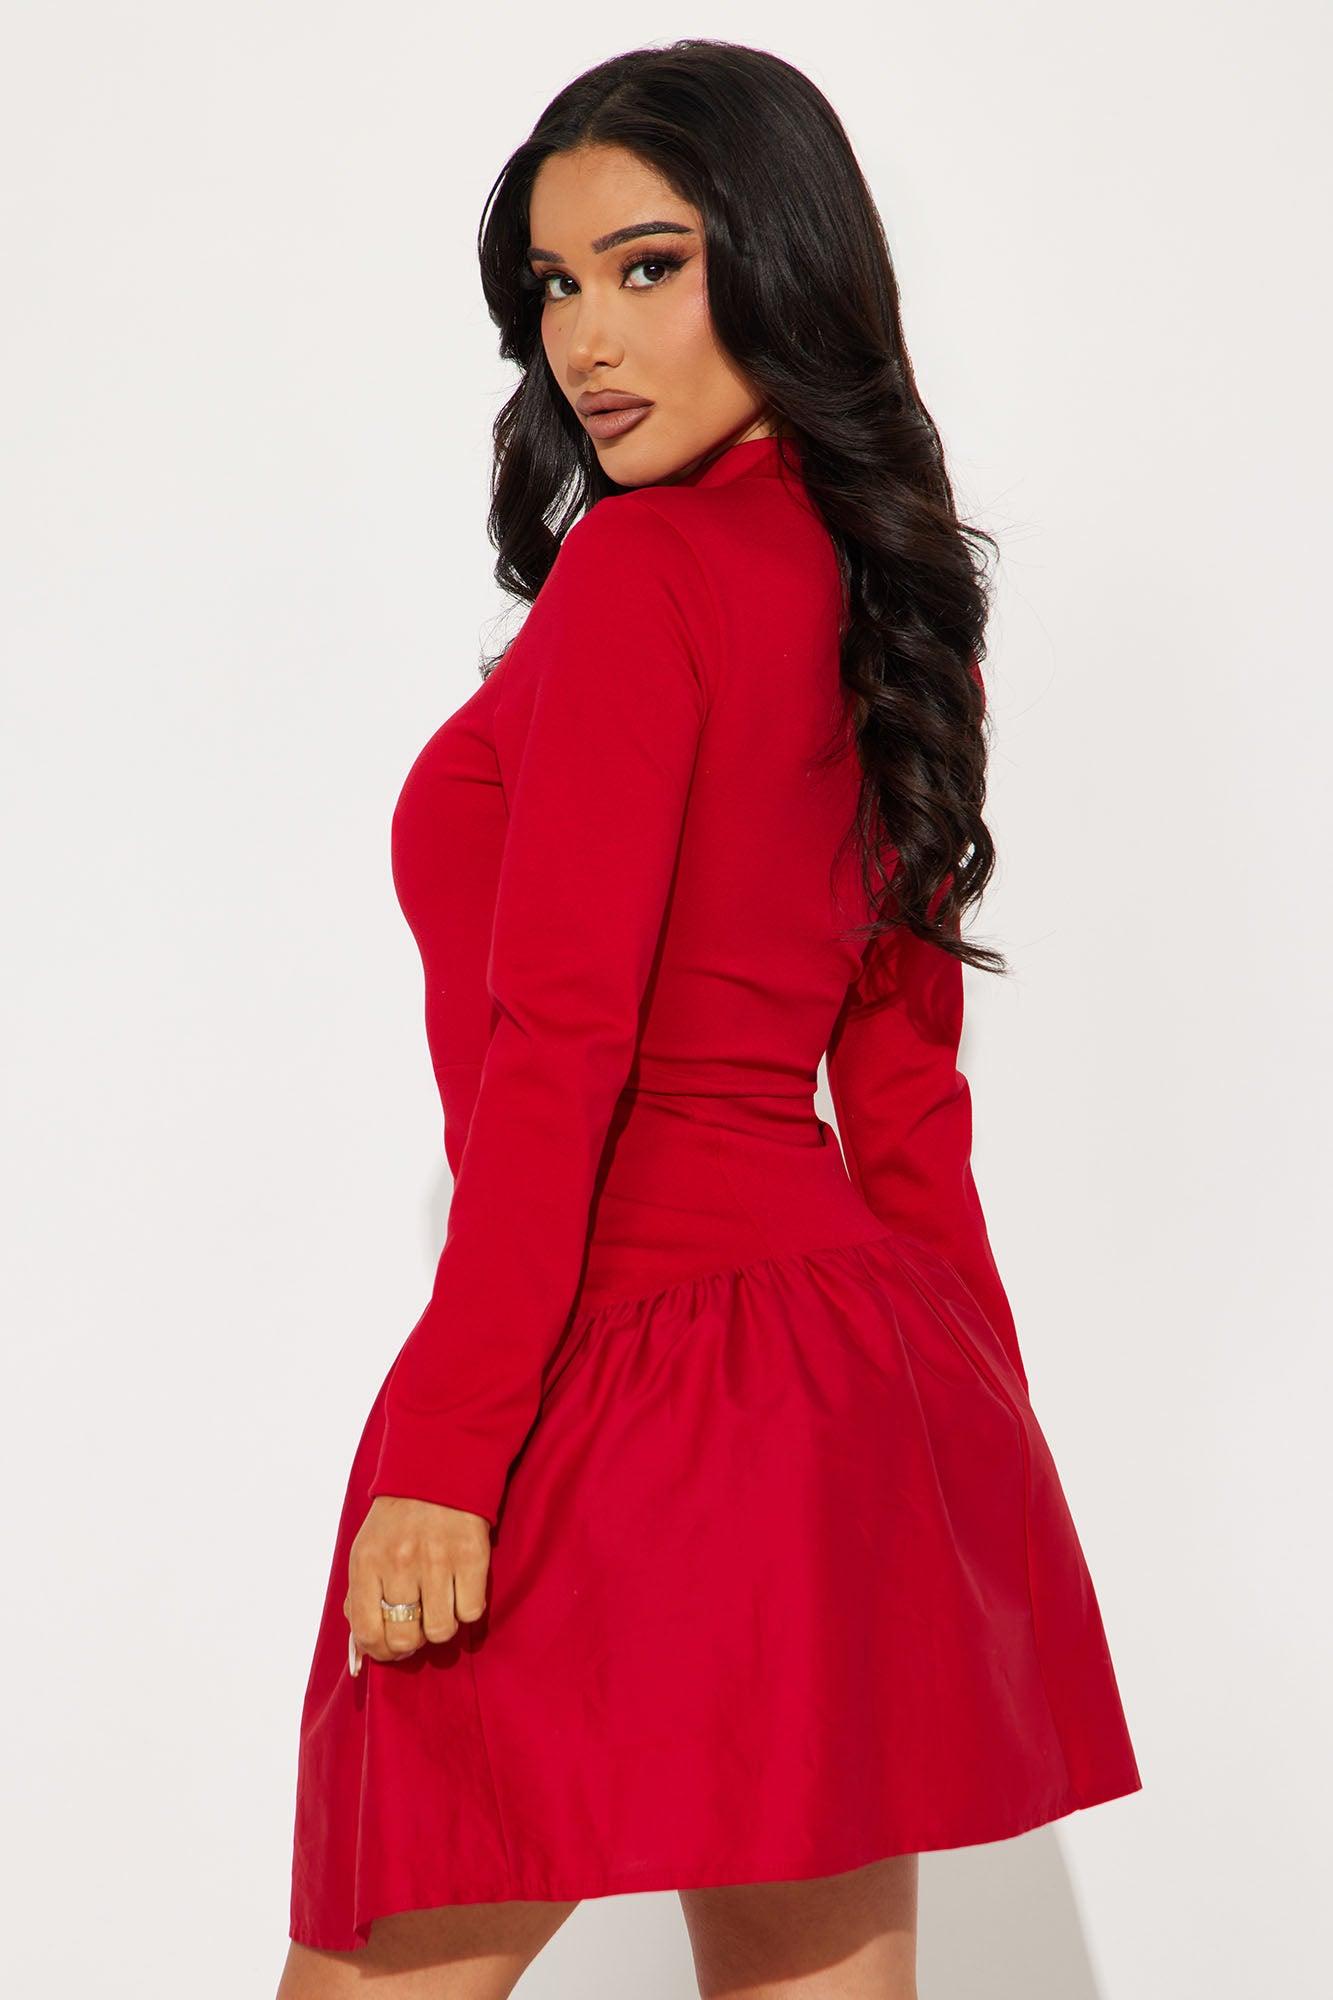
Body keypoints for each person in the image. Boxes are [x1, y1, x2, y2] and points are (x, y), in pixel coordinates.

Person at [278, 40, 1141, 2000]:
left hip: (615, 1374)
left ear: (780, 255)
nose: (587, 339)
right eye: (554, 286)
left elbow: (559, 1045)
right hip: (843, 1394)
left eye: (647, 266)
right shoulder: (895, 613)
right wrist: (981, 1467)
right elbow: (905, 1106)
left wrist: (448, 1447)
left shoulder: (644, 571)